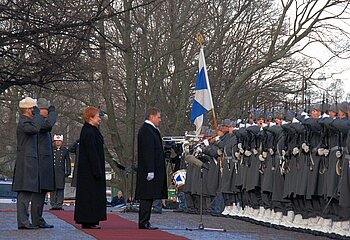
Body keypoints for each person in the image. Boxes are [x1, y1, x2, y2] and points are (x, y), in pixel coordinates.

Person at [12, 97, 43, 229]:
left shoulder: (27, 122)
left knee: (27, 193)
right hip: (26, 163)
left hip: (29, 162)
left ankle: (25, 221)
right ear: (28, 109)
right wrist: (38, 115)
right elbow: (35, 129)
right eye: (33, 109)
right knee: (24, 193)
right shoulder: (24, 123)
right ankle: (23, 222)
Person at [74, 107, 106, 229]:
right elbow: (92, 153)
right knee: (90, 196)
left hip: (91, 170)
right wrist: (97, 170)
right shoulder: (88, 132)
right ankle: (88, 220)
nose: (99, 119)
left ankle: (92, 219)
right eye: (98, 117)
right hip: (90, 171)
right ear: (91, 117)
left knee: (92, 196)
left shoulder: (91, 130)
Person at [135, 107, 167, 230]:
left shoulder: (151, 130)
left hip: (152, 168)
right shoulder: (146, 130)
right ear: (151, 116)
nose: (160, 119)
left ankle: (145, 221)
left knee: (149, 196)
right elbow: (148, 152)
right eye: (158, 117)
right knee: (146, 196)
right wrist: (150, 169)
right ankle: (143, 221)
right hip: (148, 169)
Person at [31, 98, 57, 228]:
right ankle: (36, 219)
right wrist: (53, 112)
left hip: (43, 159)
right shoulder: (38, 119)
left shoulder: (37, 119)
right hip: (41, 160)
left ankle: (38, 218)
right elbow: (48, 126)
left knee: (41, 193)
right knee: (38, 192)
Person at [50, 134, 71, 210]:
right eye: (56, 141)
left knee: (60, 188)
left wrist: (68, 171)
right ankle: (53, 204)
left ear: (61, 142)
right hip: (52, 171)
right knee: (53, 188)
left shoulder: (65, 150)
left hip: (61, 172)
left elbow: (68, 161)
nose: (58, 142)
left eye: (59, 141)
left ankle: (59, 204)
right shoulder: (51, 149)